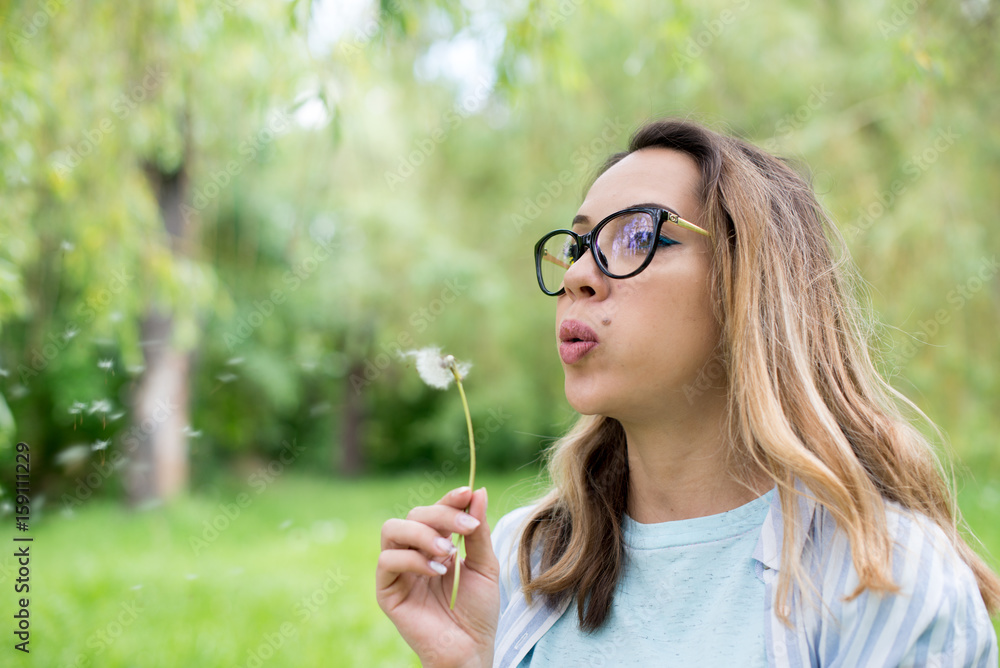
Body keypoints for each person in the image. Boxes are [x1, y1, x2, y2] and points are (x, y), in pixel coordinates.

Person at [376, 118, 1000, 667]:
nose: (577, 276)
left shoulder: (885, 578)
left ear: (748, 286)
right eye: (579, 244)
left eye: (639, 237)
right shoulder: (519, 560)